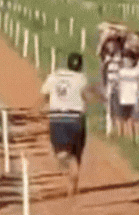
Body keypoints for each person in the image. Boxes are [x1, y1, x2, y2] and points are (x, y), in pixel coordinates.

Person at [39, 52, 96, 196]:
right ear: (81, 66)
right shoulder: (82, 78)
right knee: (77, 150)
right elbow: (87, 96)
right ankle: (73, 179)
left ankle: (70, 164)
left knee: (61, 153)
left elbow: (45, 94)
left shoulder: (55, 76)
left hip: (58, 118)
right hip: (77, 118)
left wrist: (45, 106)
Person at [117, 53, 139, 139]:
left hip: (132, 99)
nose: (127, 62)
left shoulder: (135, 72)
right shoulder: (122, 72)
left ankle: (130, 137)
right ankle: (122, 136)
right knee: (122, 118)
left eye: (129, 60)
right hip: (124, 98)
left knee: (130, 119)